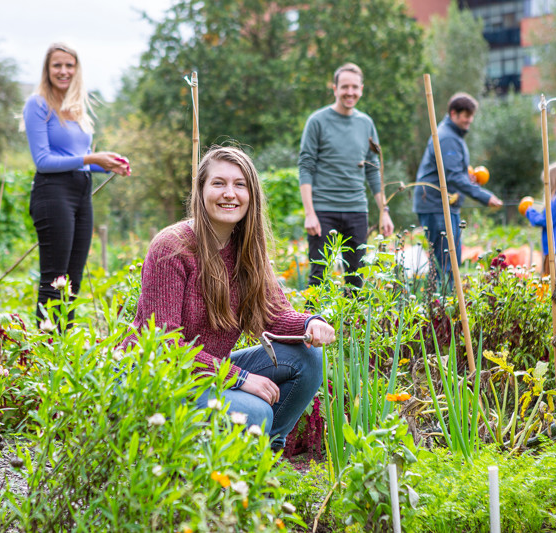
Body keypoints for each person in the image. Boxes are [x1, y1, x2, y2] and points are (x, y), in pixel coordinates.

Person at [125, 146, 335, 451]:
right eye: (218, 183)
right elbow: (162, 343)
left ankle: (262, 458)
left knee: (307, 357)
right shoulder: (171, 248)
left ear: (251, 195)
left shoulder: (247, 249)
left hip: (208, 372)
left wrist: (311, 323)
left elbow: (274, 314)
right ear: (201, 190)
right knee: (256, 411)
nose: (230, 193)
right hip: (161, 380)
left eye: (240, 184)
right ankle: (209, 457)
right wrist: (240, 379)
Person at [23, 43, 130, 323]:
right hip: (52, 192)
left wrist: (107, 164)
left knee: (73, 280)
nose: (64, 71)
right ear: (47, 70)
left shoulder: (76, 108)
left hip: (80, 192)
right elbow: (44, 161)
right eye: (57, 65)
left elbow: (75, 158)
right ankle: (45, 351)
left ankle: (63, 347)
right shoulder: (37, 105)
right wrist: (92, 157)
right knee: (54, 279)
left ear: (77, 69)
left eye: (69, 65)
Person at [298, 62, 394, 289]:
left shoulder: (366, 123)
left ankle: (353, 325)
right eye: (344, 87)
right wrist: (309, 213)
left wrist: (384, 211)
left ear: (361, 89)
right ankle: (311, 324)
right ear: (334, 88)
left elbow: (373, 169)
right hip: (323, 211)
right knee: (318, 277)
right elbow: (306, 166)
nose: (349, 92)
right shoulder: (317, 121)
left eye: (354, 87)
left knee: (356, 279)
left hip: (357, 210)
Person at [412, 92, 503, 287]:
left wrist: (466, 176)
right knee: (445, 261)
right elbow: (452, 176)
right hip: (435, 204)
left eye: (471, 115)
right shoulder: (447, 137)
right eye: (466, 115)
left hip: (447, 204)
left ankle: (450, 304)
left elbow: (452, 172)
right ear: (453, 113)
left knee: (453, 259)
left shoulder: (454, 136)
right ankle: (441, 307)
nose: (469, 120)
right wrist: (484, 196)